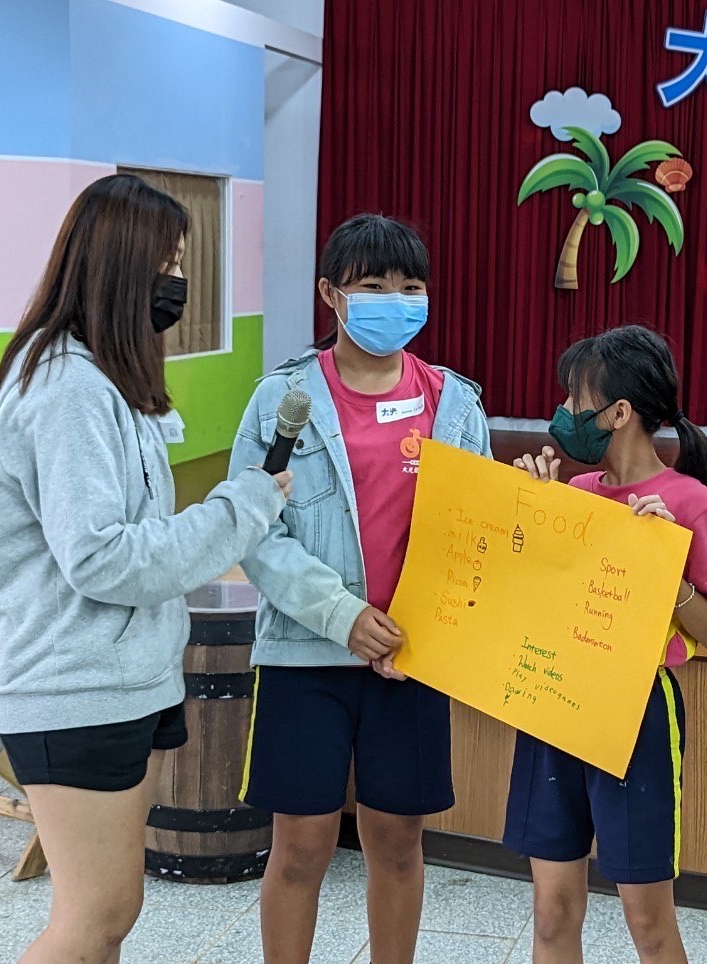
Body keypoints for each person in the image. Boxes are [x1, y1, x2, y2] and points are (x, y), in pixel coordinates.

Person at [0, 173, 292, 963]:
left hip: (120, 680)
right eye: (166, 263)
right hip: (72, 689)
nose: (177, 282)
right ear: (117, 267)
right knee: (95, 916)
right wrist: (241, 507)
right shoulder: (67, 389)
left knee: (110, 914)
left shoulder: (103, 378)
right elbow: (103, 558)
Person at [229, 213, 492, 964]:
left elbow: (473, 535)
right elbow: (254, 528)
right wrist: (342, 615)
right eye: (373, 285)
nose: (395, 301)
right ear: (330, 294)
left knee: (398, 843)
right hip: (303, 656)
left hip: (411, 659)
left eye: (410, 287)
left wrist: (423, 627)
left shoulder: (454, 404)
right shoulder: (280, 401)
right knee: (300, 846)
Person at [507, 325, 707, 964]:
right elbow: (531, 601)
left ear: (618, 412)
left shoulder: (690, 504)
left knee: (647, 920)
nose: (564, 413)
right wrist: (530, 513)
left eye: (575, 399)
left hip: (636, 712)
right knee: (551, 912)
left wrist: (664, 570)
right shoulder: (577, 495)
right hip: (555, 703)